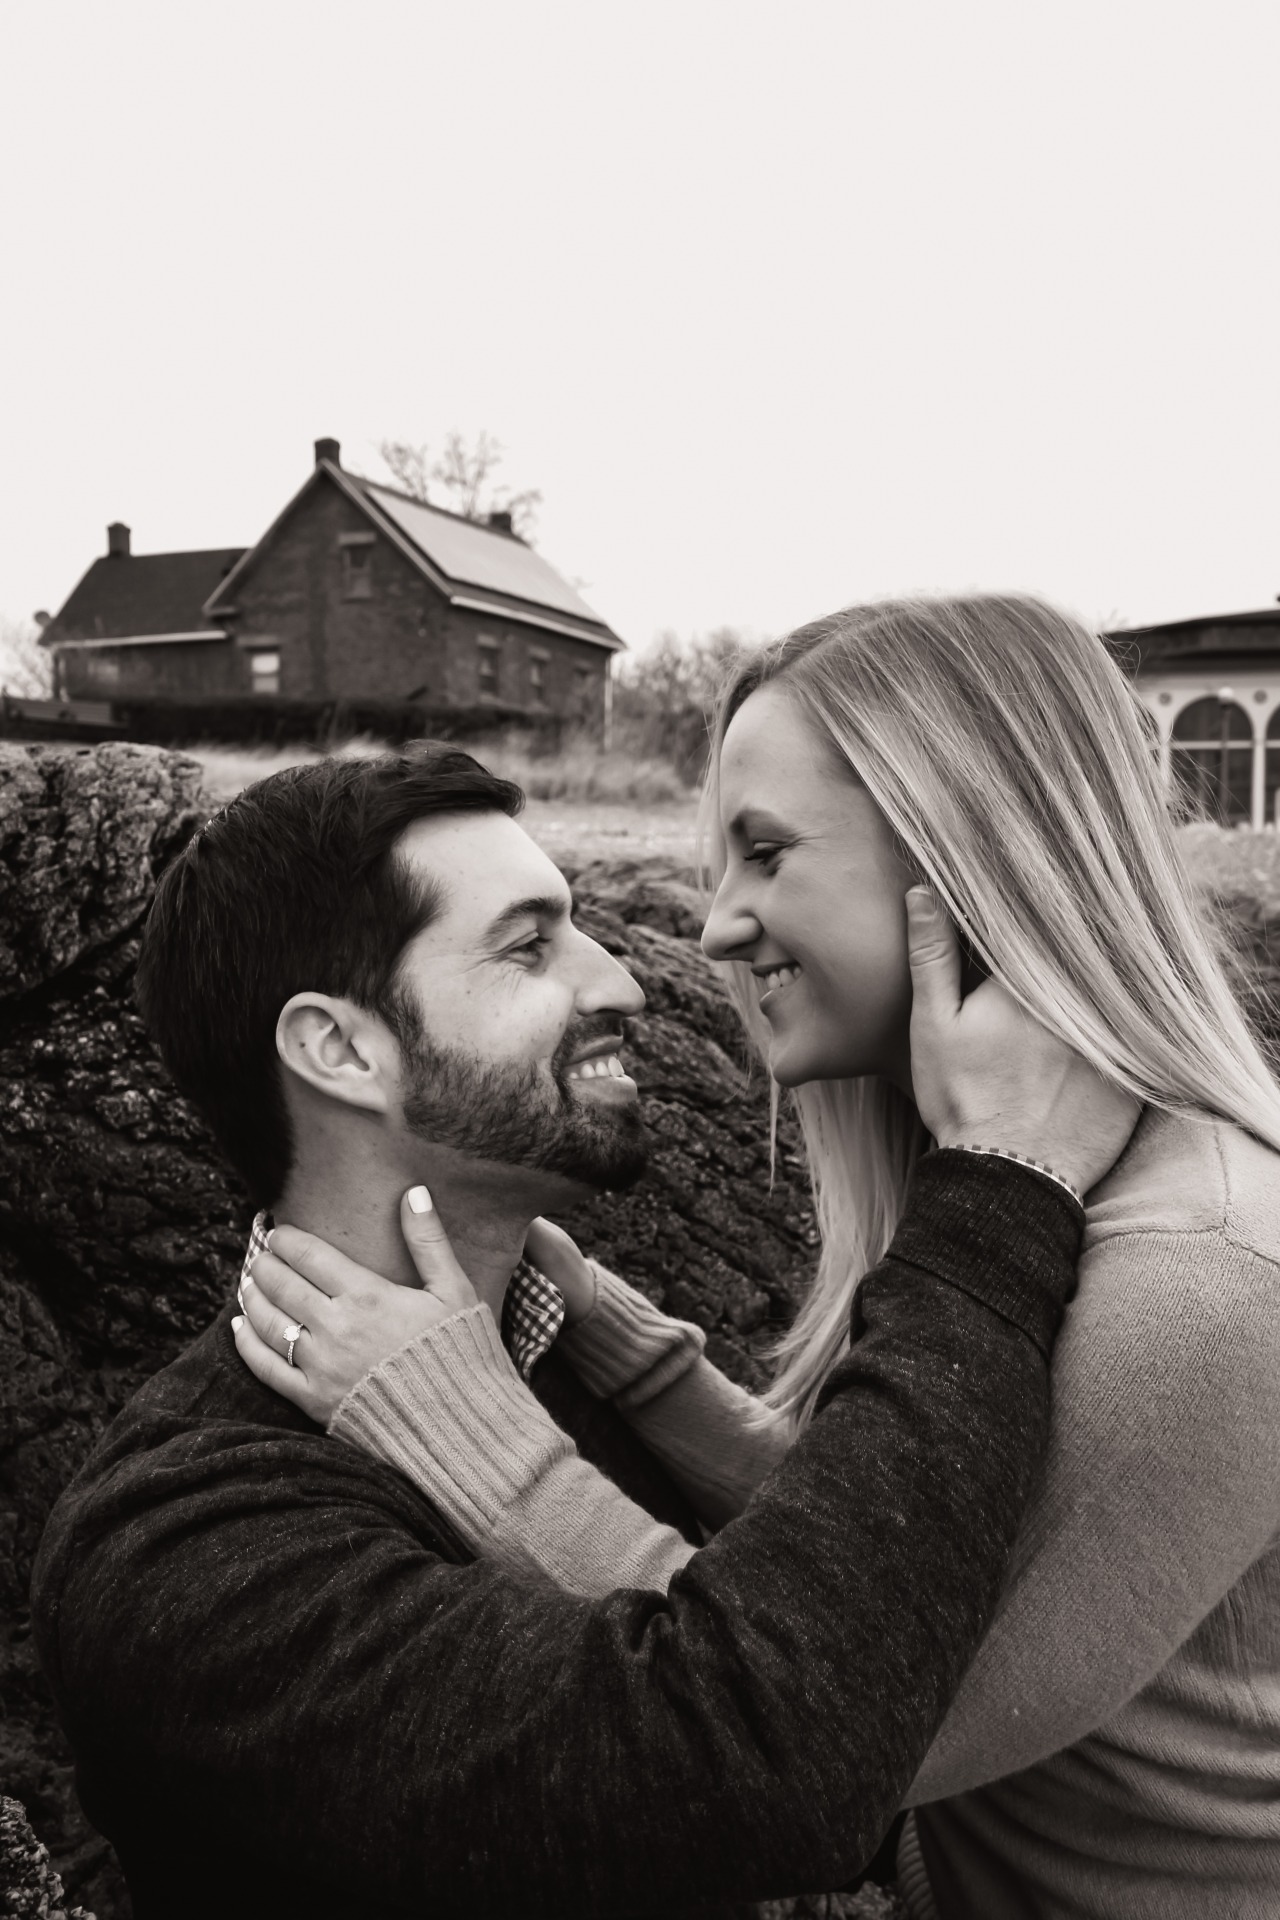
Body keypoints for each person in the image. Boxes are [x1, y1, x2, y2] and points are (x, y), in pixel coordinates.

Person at [241, 597, 1280, 1920]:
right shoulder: (1057, 1180)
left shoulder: (1199, 1285)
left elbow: (827, 1718)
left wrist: (468, 1426)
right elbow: (899, 1555)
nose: (716, 927)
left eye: (766, 853)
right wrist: (623, 1350)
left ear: (970, 860)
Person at [29, 741, 1134, 1920]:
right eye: (527, 947)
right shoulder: (189, 1551)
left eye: (582, 929)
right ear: (340, 1050)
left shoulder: (561, 1354)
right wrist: (997, 1192)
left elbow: (857, 1615)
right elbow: (767, 1764)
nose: (621, 983)